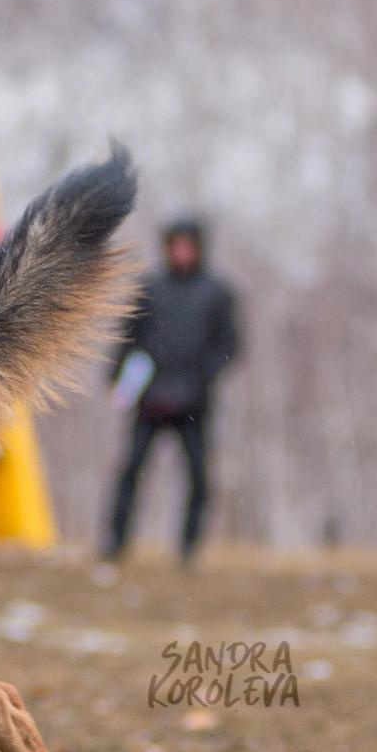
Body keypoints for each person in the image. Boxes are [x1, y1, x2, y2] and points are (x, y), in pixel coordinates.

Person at [100, 217, 239, 568]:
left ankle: (188, 548)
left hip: (194, 402)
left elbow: (230, 345)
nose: (181, 252)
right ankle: (115, 543)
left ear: (198, 248)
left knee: (197, 477)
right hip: (150, 400)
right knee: (131, 470)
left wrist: (203, 378)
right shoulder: (151, 288)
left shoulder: (217, 293)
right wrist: (118, 377)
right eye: (176, 244)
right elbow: (128, 336)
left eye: (187, 245)